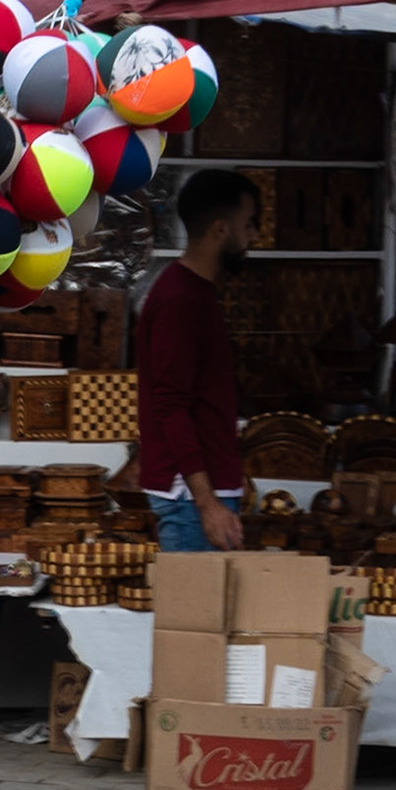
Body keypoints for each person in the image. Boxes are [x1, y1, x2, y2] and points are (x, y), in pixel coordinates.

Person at [135, 168, 260, 553]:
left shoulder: (196, 293)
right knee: (192, 615)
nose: (254, 236)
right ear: (221, 229)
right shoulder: (180, 300)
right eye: (249, 224)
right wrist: (207, 504)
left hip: (200, 496)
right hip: (190, 500)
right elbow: (171, 405)